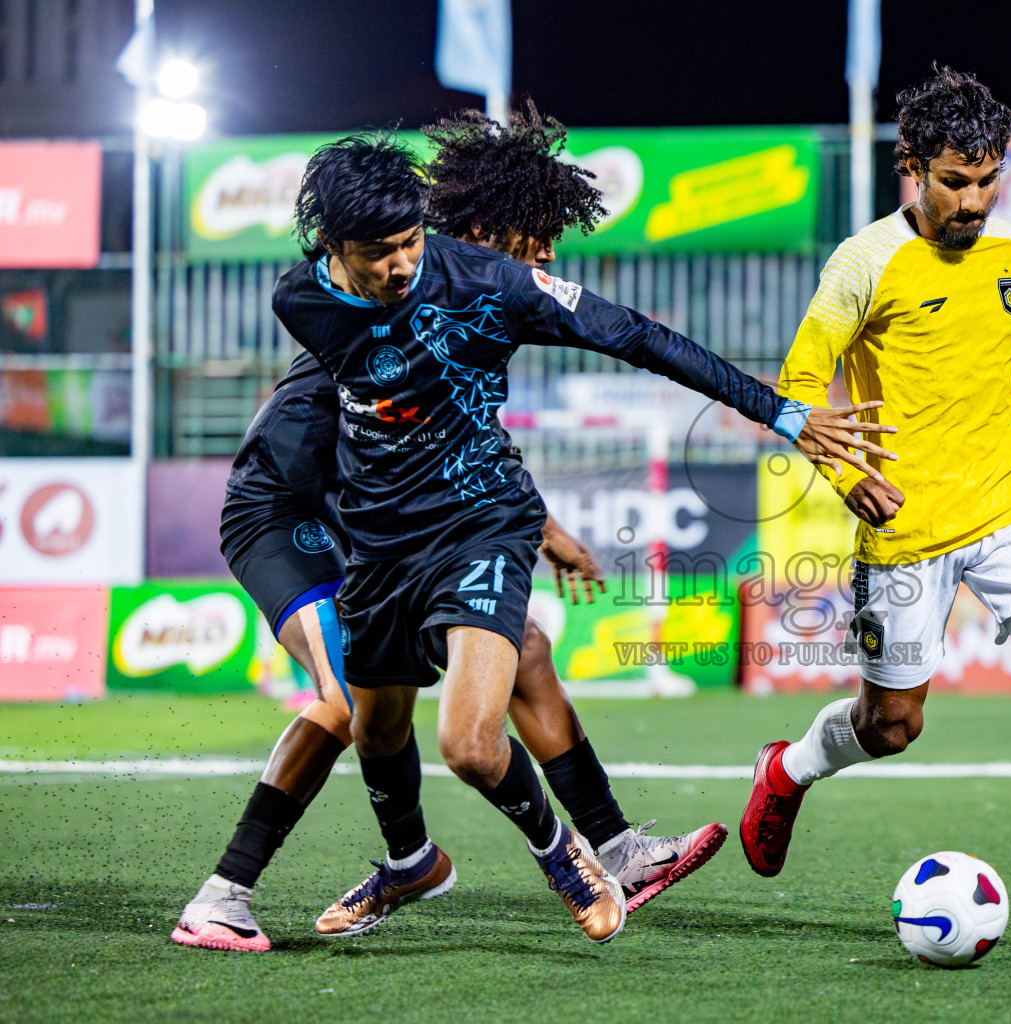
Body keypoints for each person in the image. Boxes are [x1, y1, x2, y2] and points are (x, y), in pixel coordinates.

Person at [168, 106, 774, 952]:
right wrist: (526, 519)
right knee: (349, 702)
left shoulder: (452, 287)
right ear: (487, 232)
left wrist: (532, 518)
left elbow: (459, 435)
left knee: (516, 650)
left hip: (388, 518)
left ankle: (609, 848)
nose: (550, 258)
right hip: (291, 511)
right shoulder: (364, 299)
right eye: (537, 237)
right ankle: (229, 890)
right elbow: (396, 440)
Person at [269, 128, 893, 945]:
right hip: (379, 543)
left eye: (412, 243)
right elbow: (375, 399)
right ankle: (411, 862)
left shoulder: (492, 284)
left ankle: (571, 853)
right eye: (377, 253)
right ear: (332, 248)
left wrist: (782, 414)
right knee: (376, 730)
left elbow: (641, 337)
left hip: (475, 524)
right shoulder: (300, 300)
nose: (400, 266)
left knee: (466, 742)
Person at [737, 67, 1011, 941]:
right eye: (955, 181)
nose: (974, 199)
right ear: (912, 166)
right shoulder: (863, 264)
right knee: (893, 724)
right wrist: (845, 475)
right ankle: (787, 771)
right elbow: (799, 384)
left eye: (988, 179)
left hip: (1009, 501)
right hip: (902, 525)